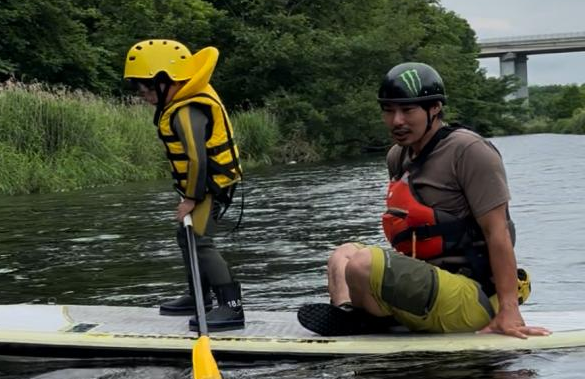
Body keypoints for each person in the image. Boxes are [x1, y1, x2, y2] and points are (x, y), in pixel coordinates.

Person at [298, 62, 551, 339]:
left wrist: (509, 310)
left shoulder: (470, 151)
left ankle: (366, 318)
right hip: (430, 285)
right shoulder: (398, 156)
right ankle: (351, 317)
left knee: (363, 263)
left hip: (472, 295)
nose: (397, 121)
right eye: (388, 110)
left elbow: (498, 232)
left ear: (435, 109)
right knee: (342, 256)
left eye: (407, 110)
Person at [123, 39, 244, 332]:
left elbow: (197, 159)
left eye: (148, 88)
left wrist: (191, 198)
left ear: (168, 81)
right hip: (200, 186)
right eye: (140, 89)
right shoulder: (179, 104)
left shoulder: (188, 110)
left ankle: (231, 307)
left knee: (200, 240)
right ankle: (198, 297)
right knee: (186, 237)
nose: (144, 95)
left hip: (209, 186)